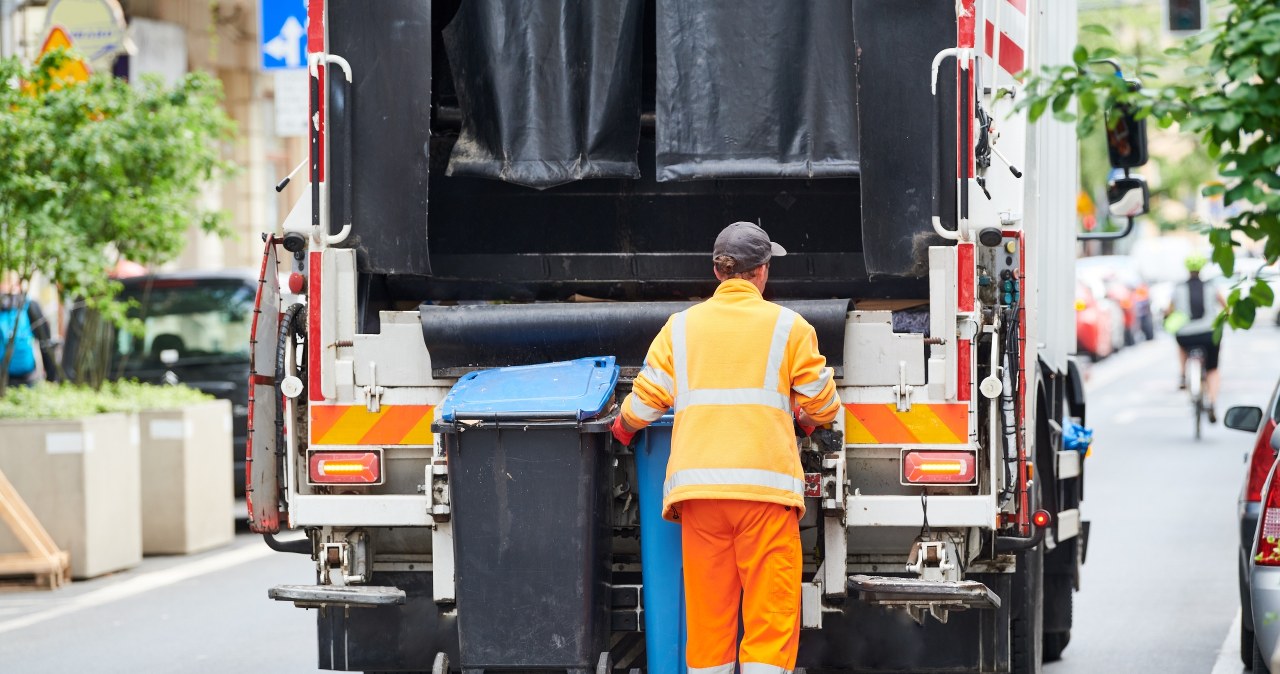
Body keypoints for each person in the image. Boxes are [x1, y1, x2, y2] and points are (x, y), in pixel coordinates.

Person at [612, 221, 841, 673]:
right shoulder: (789, 327)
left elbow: (643, 404)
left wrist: (621, 429)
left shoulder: (680, 328)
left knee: (709, 622)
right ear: (762, 272)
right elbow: (824, 405)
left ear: (718, 273)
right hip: (765, 499)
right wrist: (805, 420)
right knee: (769, 622)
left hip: (700, 499)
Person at [1167, 254, 1224, 421]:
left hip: (1186, 336)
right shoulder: (1212, 286)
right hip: (1209, 334)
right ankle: (1212, 402)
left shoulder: (1178, 288)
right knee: (1212, 369)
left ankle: (1183, 375)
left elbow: (1168, 311)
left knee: (1180, 344)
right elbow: (1225, 306)